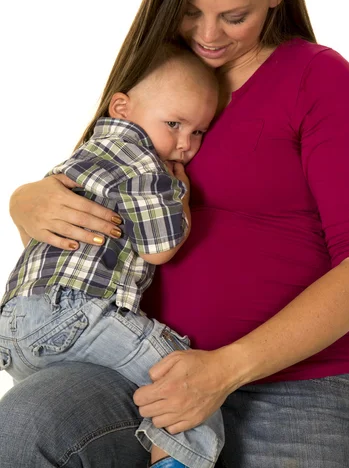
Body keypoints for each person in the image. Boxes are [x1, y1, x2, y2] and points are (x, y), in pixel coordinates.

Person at [0, 0, 349, 468]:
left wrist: (223, 369)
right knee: (23, 430)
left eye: (234, 16)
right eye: (191, 11)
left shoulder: (321, 81)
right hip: (138, 372)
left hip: (298, 392)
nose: (209, 35)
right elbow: (103, 207)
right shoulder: (160, 74)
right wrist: (28, 202)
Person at [0, 42, 222, 468]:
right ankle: (174, 463)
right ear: (122, 106)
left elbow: (40, 238)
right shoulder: (145, 165)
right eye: (173, 123)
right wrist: (184, 202)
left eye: (197, 132)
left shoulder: (80, 157)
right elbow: (160, 250)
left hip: (16, 327)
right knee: (188, 383)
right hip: (77, 317)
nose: (184, 144)